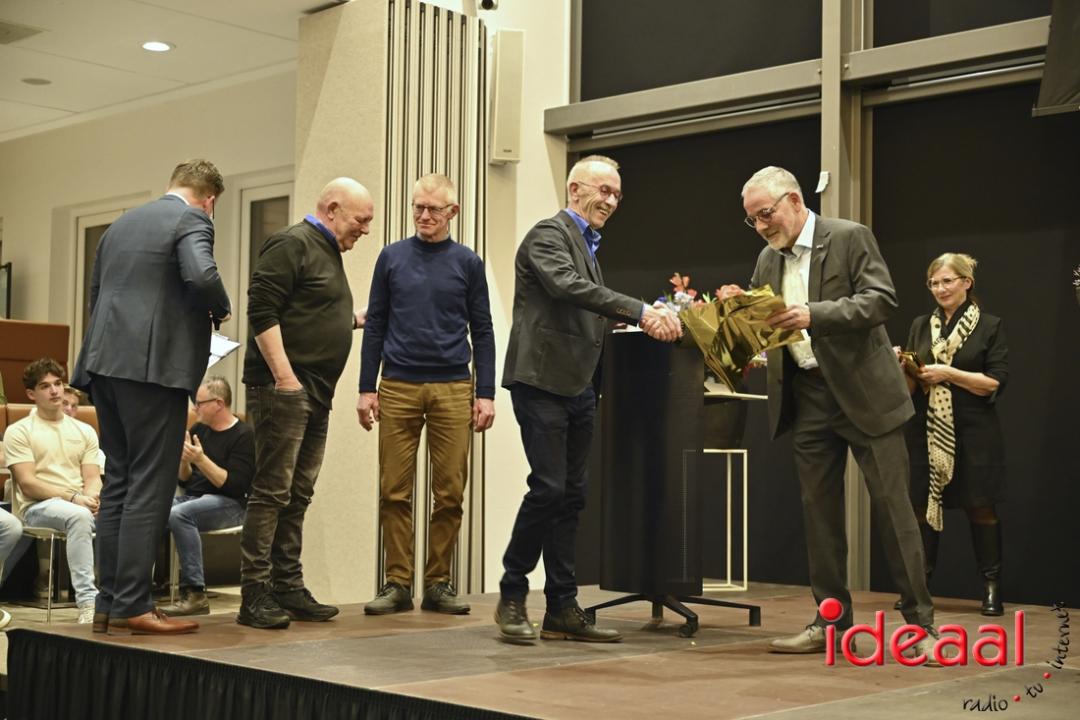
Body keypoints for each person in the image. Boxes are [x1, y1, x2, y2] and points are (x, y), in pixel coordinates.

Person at [721, 166, 942, 662]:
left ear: (795, 201)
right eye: (753, 220)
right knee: (819, 517)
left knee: (894, 512)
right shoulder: (766, 258)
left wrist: (813, 314)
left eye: (766, 214)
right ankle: (831, 623)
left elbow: (880, 300)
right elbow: (766, 328)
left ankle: (920, 626)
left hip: (866, 394)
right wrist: (738, 318)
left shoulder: (848, 236)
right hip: (808, 398)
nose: (761, 226)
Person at [495, 155, 682, 644]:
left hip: (578, 384)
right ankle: (512, 594)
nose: (611, 201)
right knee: (549, 488)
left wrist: (623, 321)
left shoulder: (587, 245)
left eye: (617, 193)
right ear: (574, 189)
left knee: (572, 496)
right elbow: (566, 287)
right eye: (603, 190)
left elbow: (580, 307)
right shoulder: (548, 235)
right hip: (541, 381)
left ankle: (561, 606)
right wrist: (639, 311)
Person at [72, 159, 231, 635]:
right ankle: (136, 605)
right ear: (209, 200)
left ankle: (109, 602)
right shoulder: (193, 218)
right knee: (151, 484)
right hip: (154, 371)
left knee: (120, 481)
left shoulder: (120, 225)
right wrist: (220, 308)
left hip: (104, 365)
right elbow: (201, 276)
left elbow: (97, 294)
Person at [357, 174, 495, 616]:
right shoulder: (391, 257)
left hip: (454, 387)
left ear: (453, 212)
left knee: (450, 493)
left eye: (434, 209)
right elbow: (375, 325)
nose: (424, 215)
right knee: (393, 492)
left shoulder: (468, 263)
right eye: (418, 207)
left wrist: (485, 393)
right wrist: (366, 387)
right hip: (397, 385)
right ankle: (397, 583)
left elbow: (484, 330)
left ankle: (438, 582)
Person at [239, 177, 373, 629]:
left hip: (314, 392)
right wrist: (285, 378)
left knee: (298, 494)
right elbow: (262, 311)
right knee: (271, 492)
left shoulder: (326, 250)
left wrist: (352, 320)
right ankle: (255, 594)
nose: (365, 230)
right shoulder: (291, 242)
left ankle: (287, 586)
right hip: (285, 390)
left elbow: (307, 312)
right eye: (361, 220)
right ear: (332, 209)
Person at [898, 253, 1008, 617]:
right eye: (934, 283)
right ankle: (920, 587)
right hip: (925, 428)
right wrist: (904, 367)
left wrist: (948, 373)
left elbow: (993, 382)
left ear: (966, 283)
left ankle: (991, 587)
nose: (940, 289)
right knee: (921, 508)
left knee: (981, 507)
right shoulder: (920, 325)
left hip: (974, 430)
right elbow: (910, 388)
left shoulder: (989, 325)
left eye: (947, 281)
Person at [3, 358, 101, 624]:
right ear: (31, 394)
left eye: (58, 383)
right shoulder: (19, 431)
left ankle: (127, 599)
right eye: (45, 386)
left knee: (128, 513)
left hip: (79, 503)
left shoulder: (84, 430)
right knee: (79, 516)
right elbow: (28, 483)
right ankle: (89, 603)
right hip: (36, 506)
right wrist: (75, 499)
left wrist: (92, 497)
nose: (55, 390)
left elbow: (92, 477)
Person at [158, 377, 254, 617]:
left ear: (218, 403)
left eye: (199, 403)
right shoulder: (199, 430)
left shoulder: (244, 435)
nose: (195, 409)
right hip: (196, 499)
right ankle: (139, 587)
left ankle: (195, 593)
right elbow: (185, 481)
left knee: (179, 514)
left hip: (232, 504)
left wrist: (200, 459)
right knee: (151, 508)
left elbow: (234, 485)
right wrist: (184, 462)